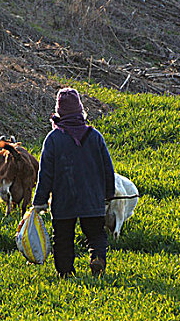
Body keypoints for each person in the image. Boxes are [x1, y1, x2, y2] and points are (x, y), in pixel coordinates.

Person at [32, 88, 115, 278]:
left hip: (64, 200)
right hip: (92, 199)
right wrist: (109, 194)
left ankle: (66, 272)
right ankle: (97, 259)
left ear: (59, 112)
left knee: (62, 238)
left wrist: (40, 201)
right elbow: (107, 169)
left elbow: (45, 174)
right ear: (80, 110)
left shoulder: (53, 139)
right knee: (96, 235)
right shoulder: (95, 136)